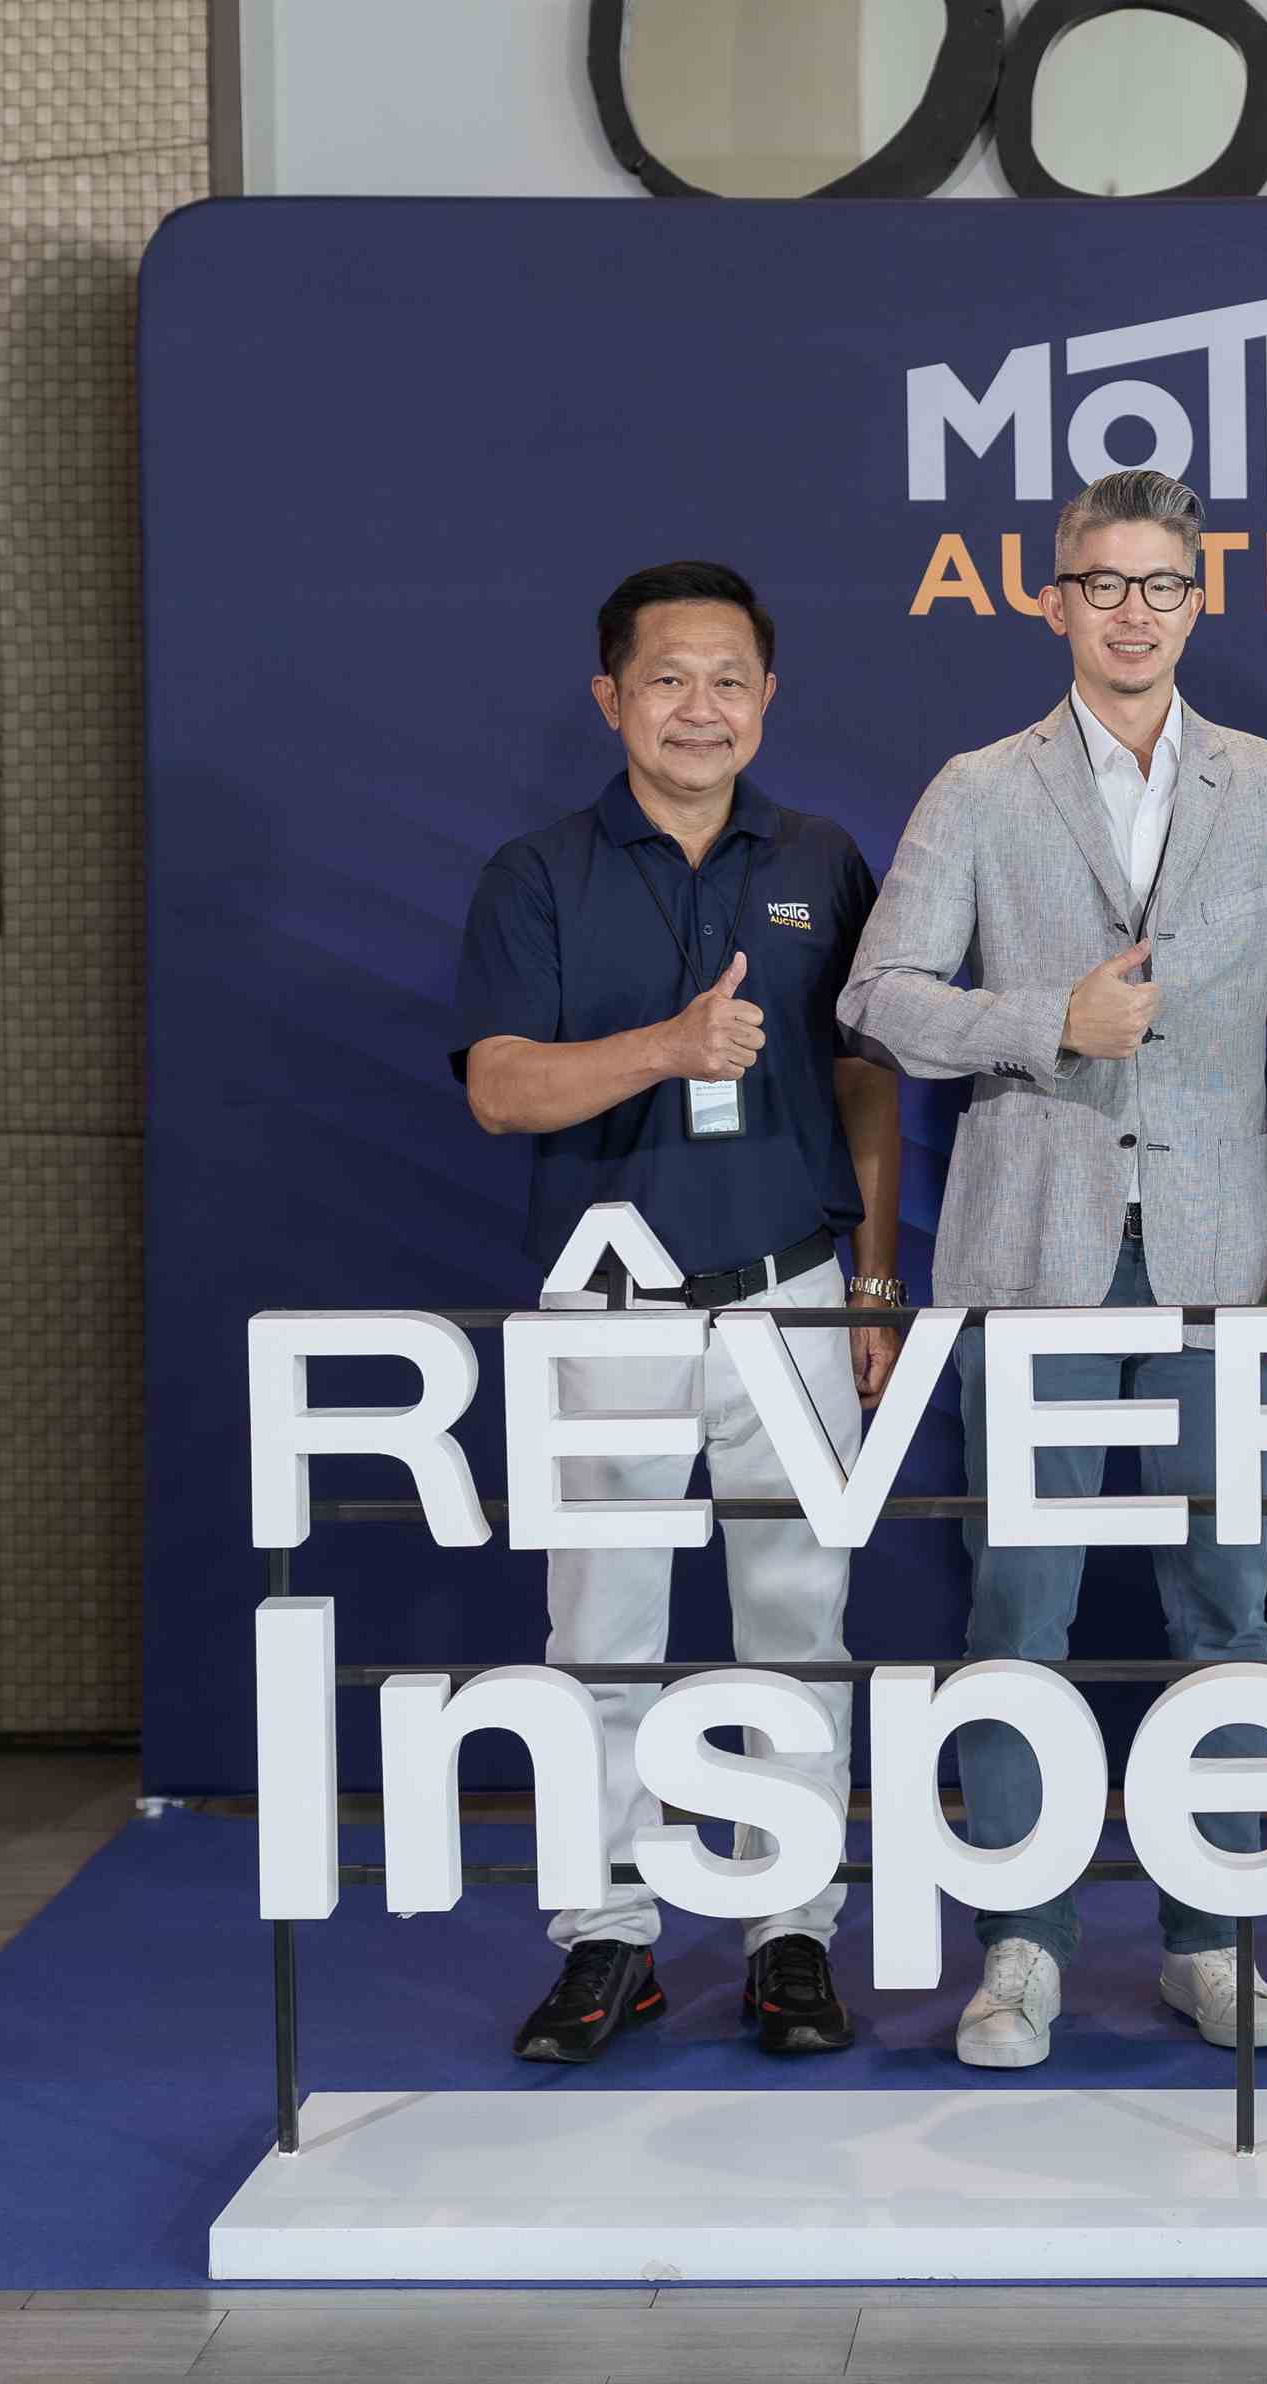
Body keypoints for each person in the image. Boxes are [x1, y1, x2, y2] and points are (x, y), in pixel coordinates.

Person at [839, 467, 1267, 2068]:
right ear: (1053, 599)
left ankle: (1215, 1935)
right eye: (1104, 584)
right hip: (1031, 1256)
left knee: (1229, 1601)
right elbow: (878, 997)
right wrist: (1043, 1020)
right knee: (1019, 1604)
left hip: (1222, 1259)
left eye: (1162, 585)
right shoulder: (979, 789)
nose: (1134, 613)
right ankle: (1022, 1949)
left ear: (1200, 601)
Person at [451, 558, 905, 2066]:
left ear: (768, 697)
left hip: (793, 1289)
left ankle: (792, 1934)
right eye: (667, 679)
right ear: (610, 698)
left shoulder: (825, 857)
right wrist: (667, 1048)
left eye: (728, 681)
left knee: (801, 1620)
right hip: (612, 1299)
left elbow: (865, 1079)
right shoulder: (538, 874)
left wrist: (875, 1281)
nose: (699, 709)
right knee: (602, 1626)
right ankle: (609, 1938)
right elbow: (500, 1086)